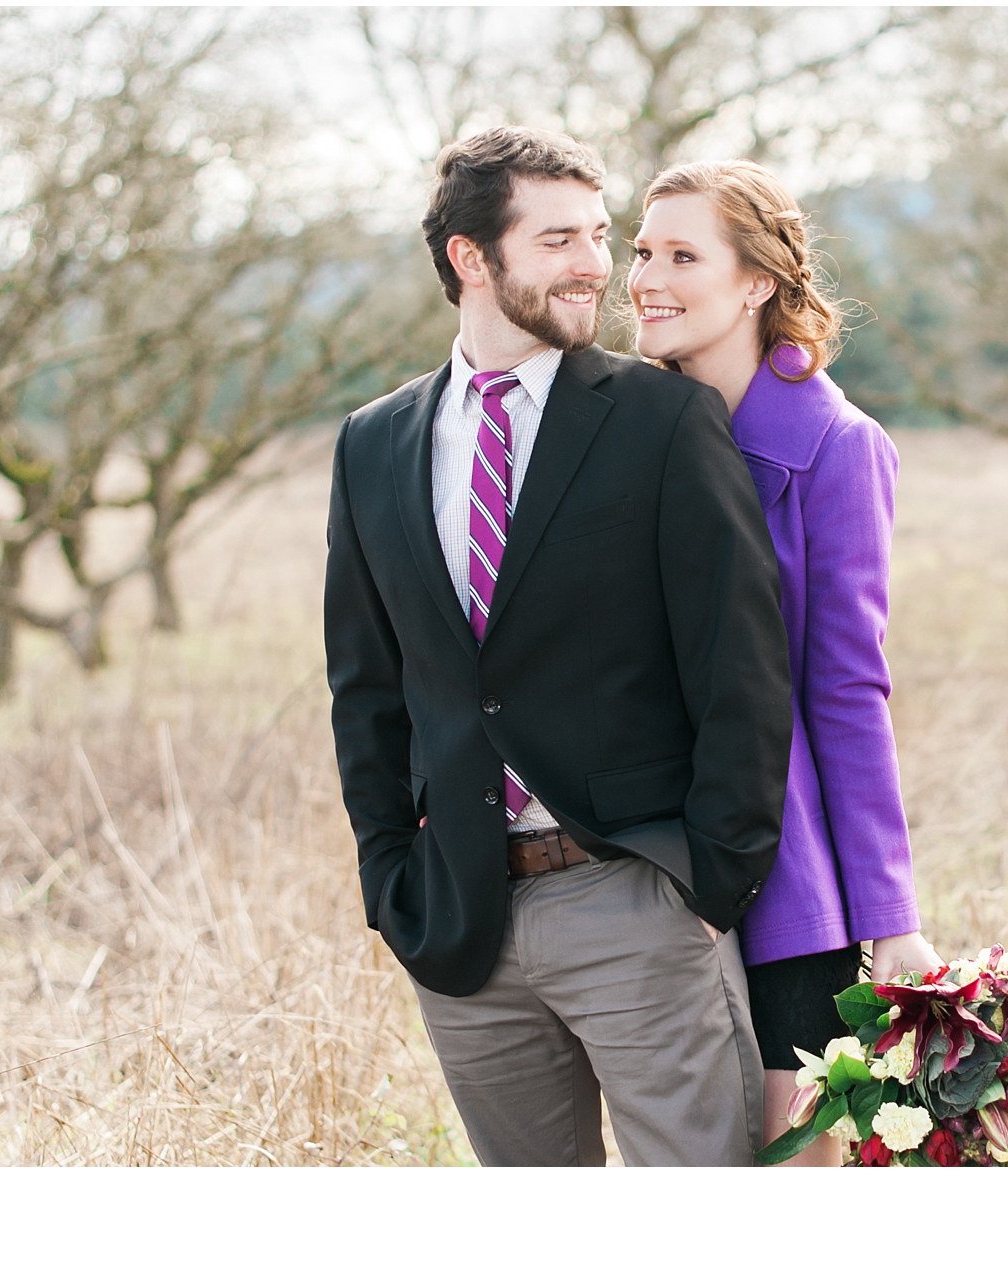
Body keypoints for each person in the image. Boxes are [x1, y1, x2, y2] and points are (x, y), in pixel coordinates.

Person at [324, 127, 794, 1167]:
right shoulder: (374, 444)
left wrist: (705, 888)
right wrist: (391, 878)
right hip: (459, 921)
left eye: (598, 234)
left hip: (634, 903)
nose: (595, 264)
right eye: (558, 240)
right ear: (472, 260)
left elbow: (742, 668)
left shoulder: (662, 419)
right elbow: (366, 689)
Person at [628, 160, 943, 1167]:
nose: (646, 279)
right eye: (641, 252)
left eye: (684, 256)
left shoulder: (837, 448)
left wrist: (889, 918)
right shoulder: (620, 438)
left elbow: (846, 691)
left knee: (785, 1178)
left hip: (783, 881)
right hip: (633, 872)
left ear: (758, 282)